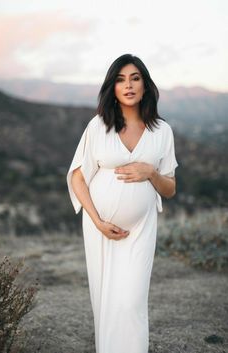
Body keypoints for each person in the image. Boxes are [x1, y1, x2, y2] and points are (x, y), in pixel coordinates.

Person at [66, 53, 178, 353]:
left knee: (131, 301)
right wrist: (97, 221)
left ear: (145, 86)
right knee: (106, 301)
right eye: (120, 79)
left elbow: (169, 189)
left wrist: (151, 172)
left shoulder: (162, 132)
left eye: (135, 78)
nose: (128, 85)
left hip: (141, 229)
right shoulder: (98, 127)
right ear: (112, 88)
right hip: (99, 228)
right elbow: (78, 178)